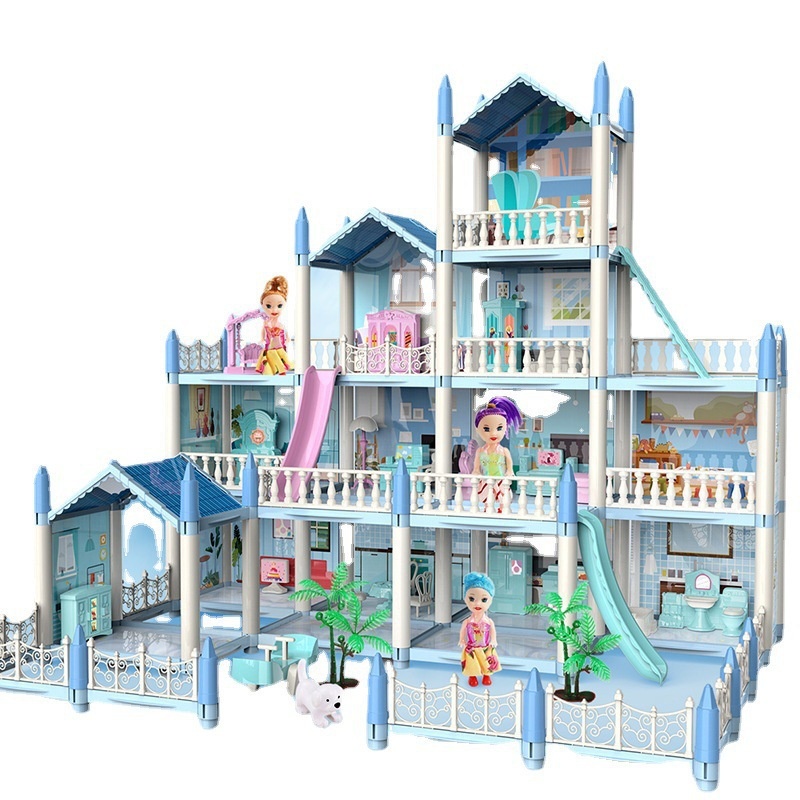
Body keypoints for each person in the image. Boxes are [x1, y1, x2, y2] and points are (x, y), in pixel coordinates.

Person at [472, 396, 523, 512]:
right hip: (486, 479)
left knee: (503, 497)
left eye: (499, 428)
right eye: (486, 429)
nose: (493, 433)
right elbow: (476, 466)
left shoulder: (504, 451)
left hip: (500, 478)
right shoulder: (480, 451)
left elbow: (509, 464)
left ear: (505, 428)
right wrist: (476, 471)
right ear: (478, 430)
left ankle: (502, 508)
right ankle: (487, 508)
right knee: (487, 496)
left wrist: (509, 471)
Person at [459, 572, 501, 686]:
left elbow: (492, 631)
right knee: (472, 662)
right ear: (465, 599)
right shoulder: (467, 621)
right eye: (472, 598)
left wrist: (493, 640)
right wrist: (462, 639)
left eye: (484, 600)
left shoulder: (488, 621)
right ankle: (472, 676)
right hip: (472, 646)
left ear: (490, 601)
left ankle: (486, 675)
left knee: (486, 661)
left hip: (485, 646)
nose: (477, 603)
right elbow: (463, 631)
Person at [255, 275, 293, 375]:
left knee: (277, 354)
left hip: (278, 344)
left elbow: (285, 331)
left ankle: (281, 368)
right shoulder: (266, 322)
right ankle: (277, 369)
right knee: (270, 354)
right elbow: (263, 331)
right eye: (269, 306)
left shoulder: (280, 324)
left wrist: (288, 338)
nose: (274, 310)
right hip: (270, 345)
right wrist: (262, 338)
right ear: (263, 305)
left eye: (279, 306)